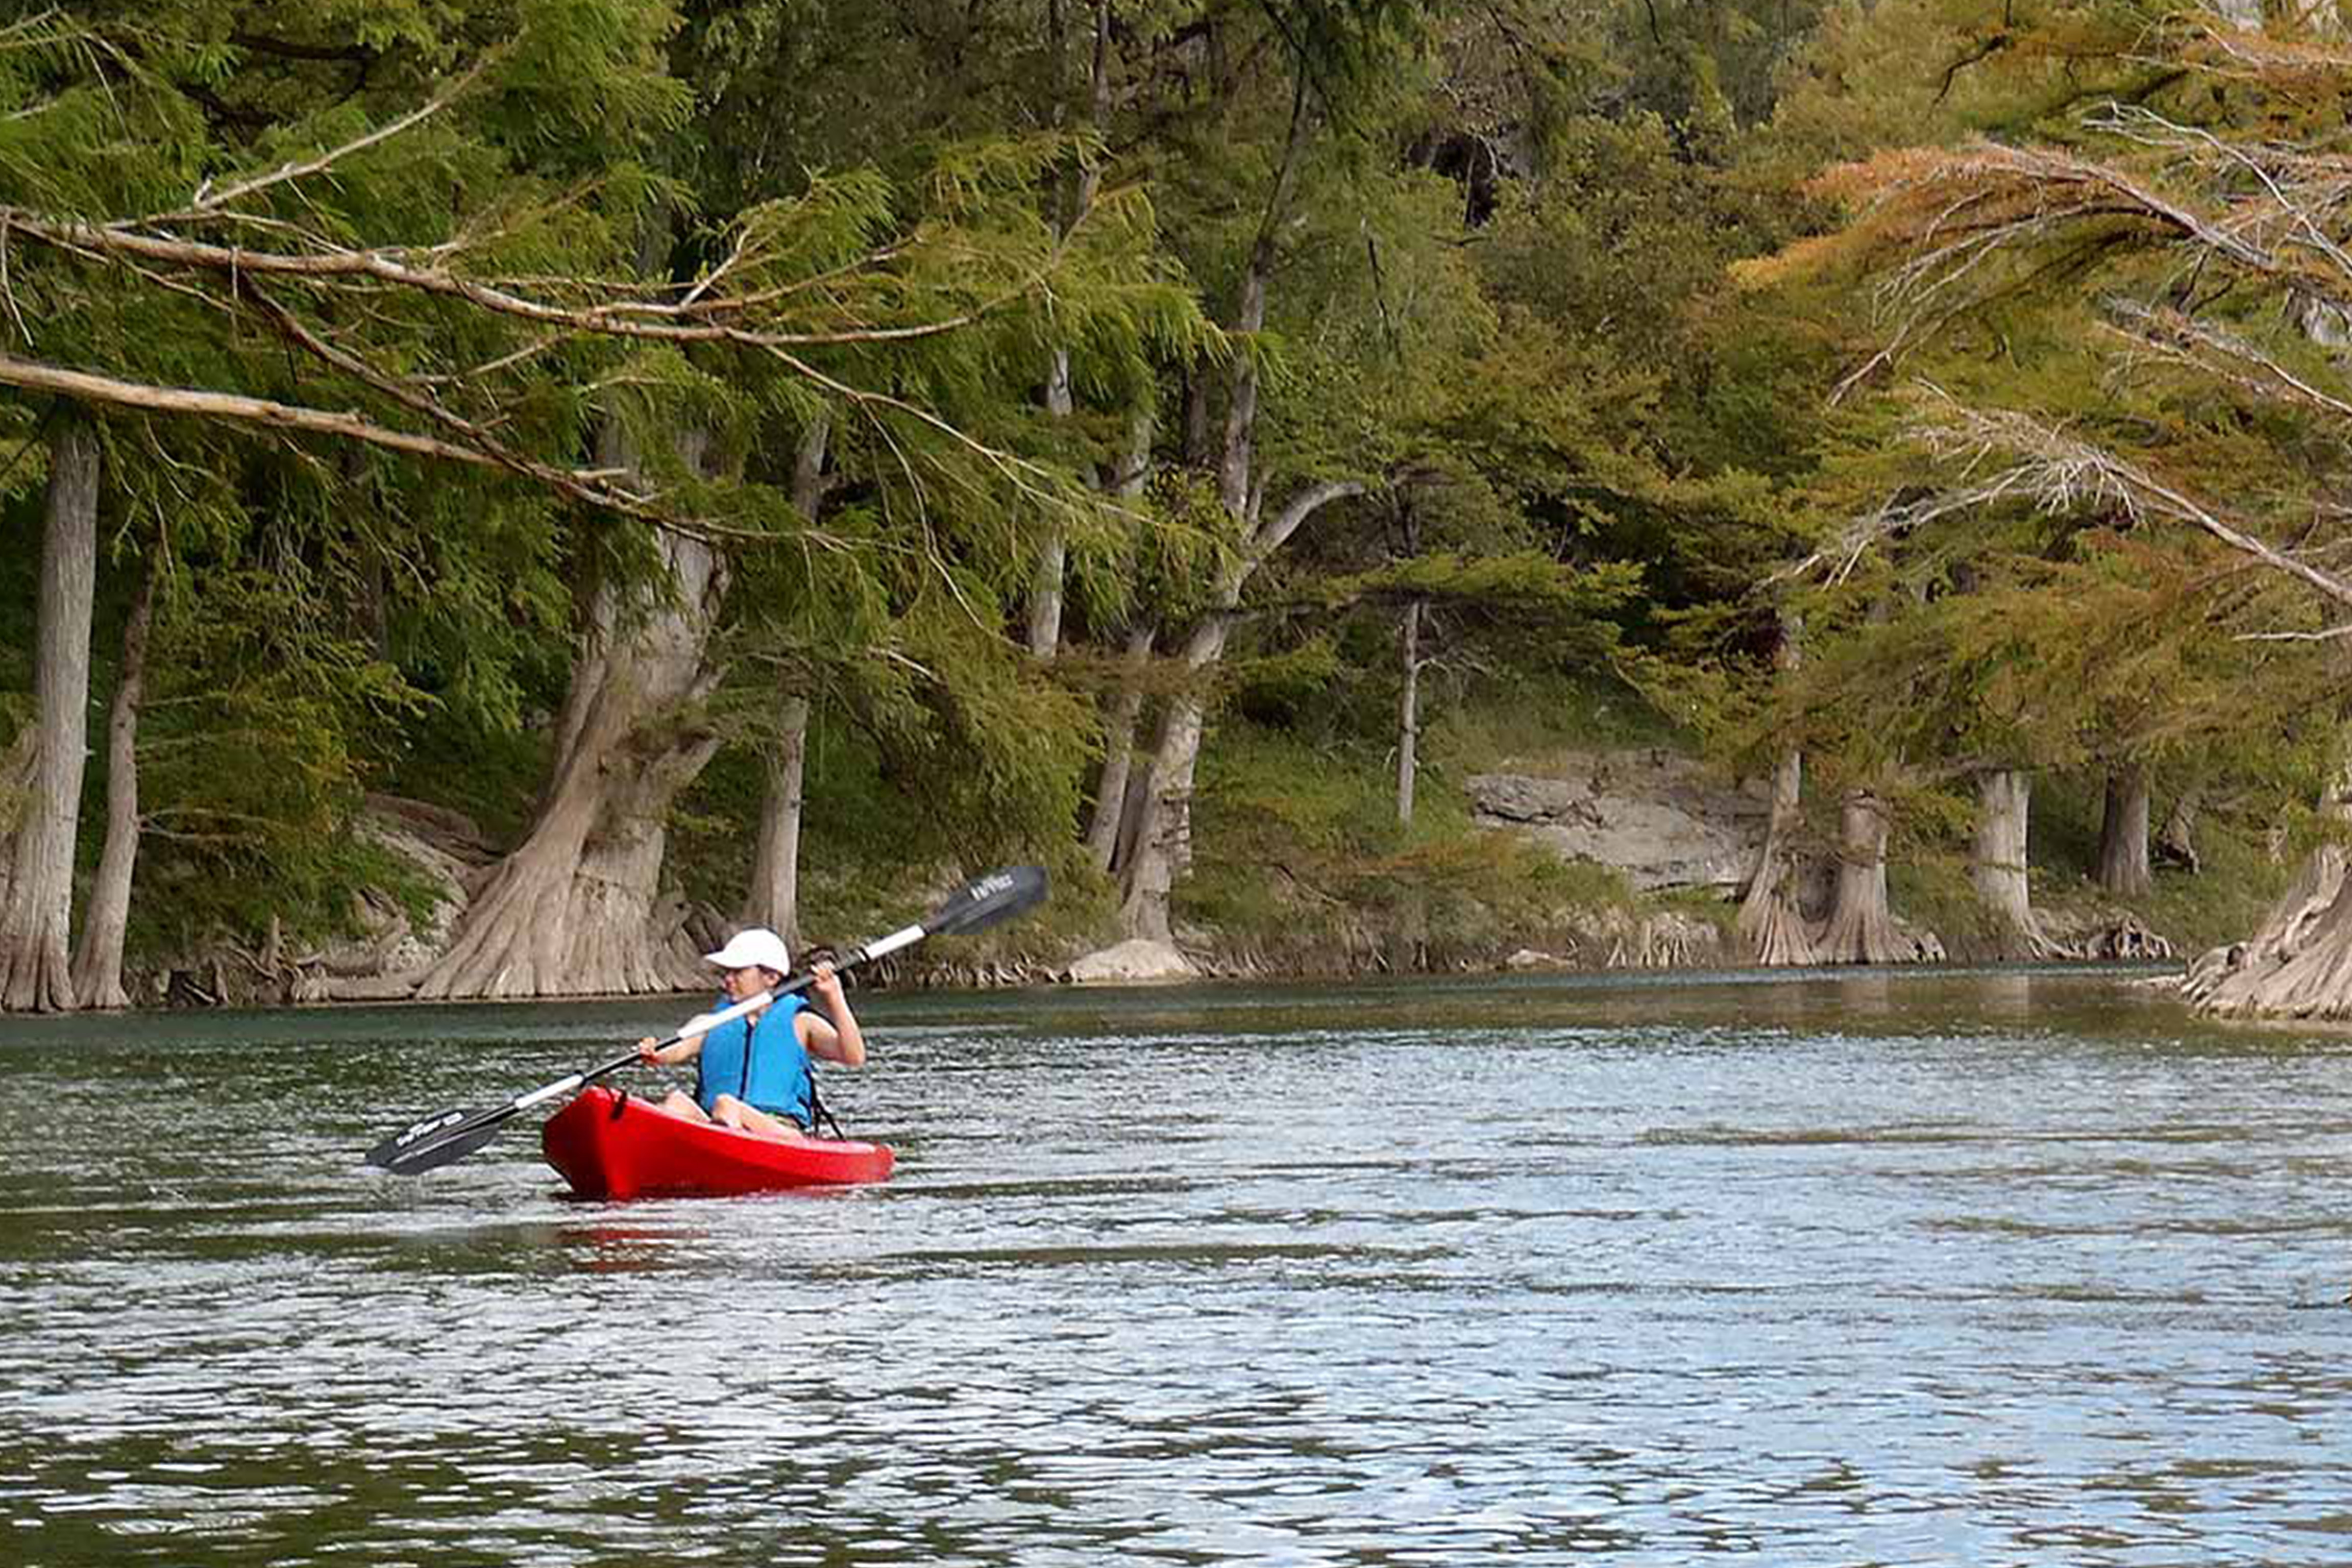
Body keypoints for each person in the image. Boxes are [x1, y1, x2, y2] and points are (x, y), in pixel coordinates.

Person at [636, 927, 865, 1142]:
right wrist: (656, 1053)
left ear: (771, 978)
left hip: (780, 1130)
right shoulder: (710, 1023)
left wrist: (834, 997)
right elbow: (679, 1049)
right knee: (678, 1103)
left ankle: (727, 1162)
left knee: (727, 1104)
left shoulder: (801, 1022)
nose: (728, 979)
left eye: (738, 971)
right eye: (727, 972)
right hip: (719, 1123)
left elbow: (854, 1056)